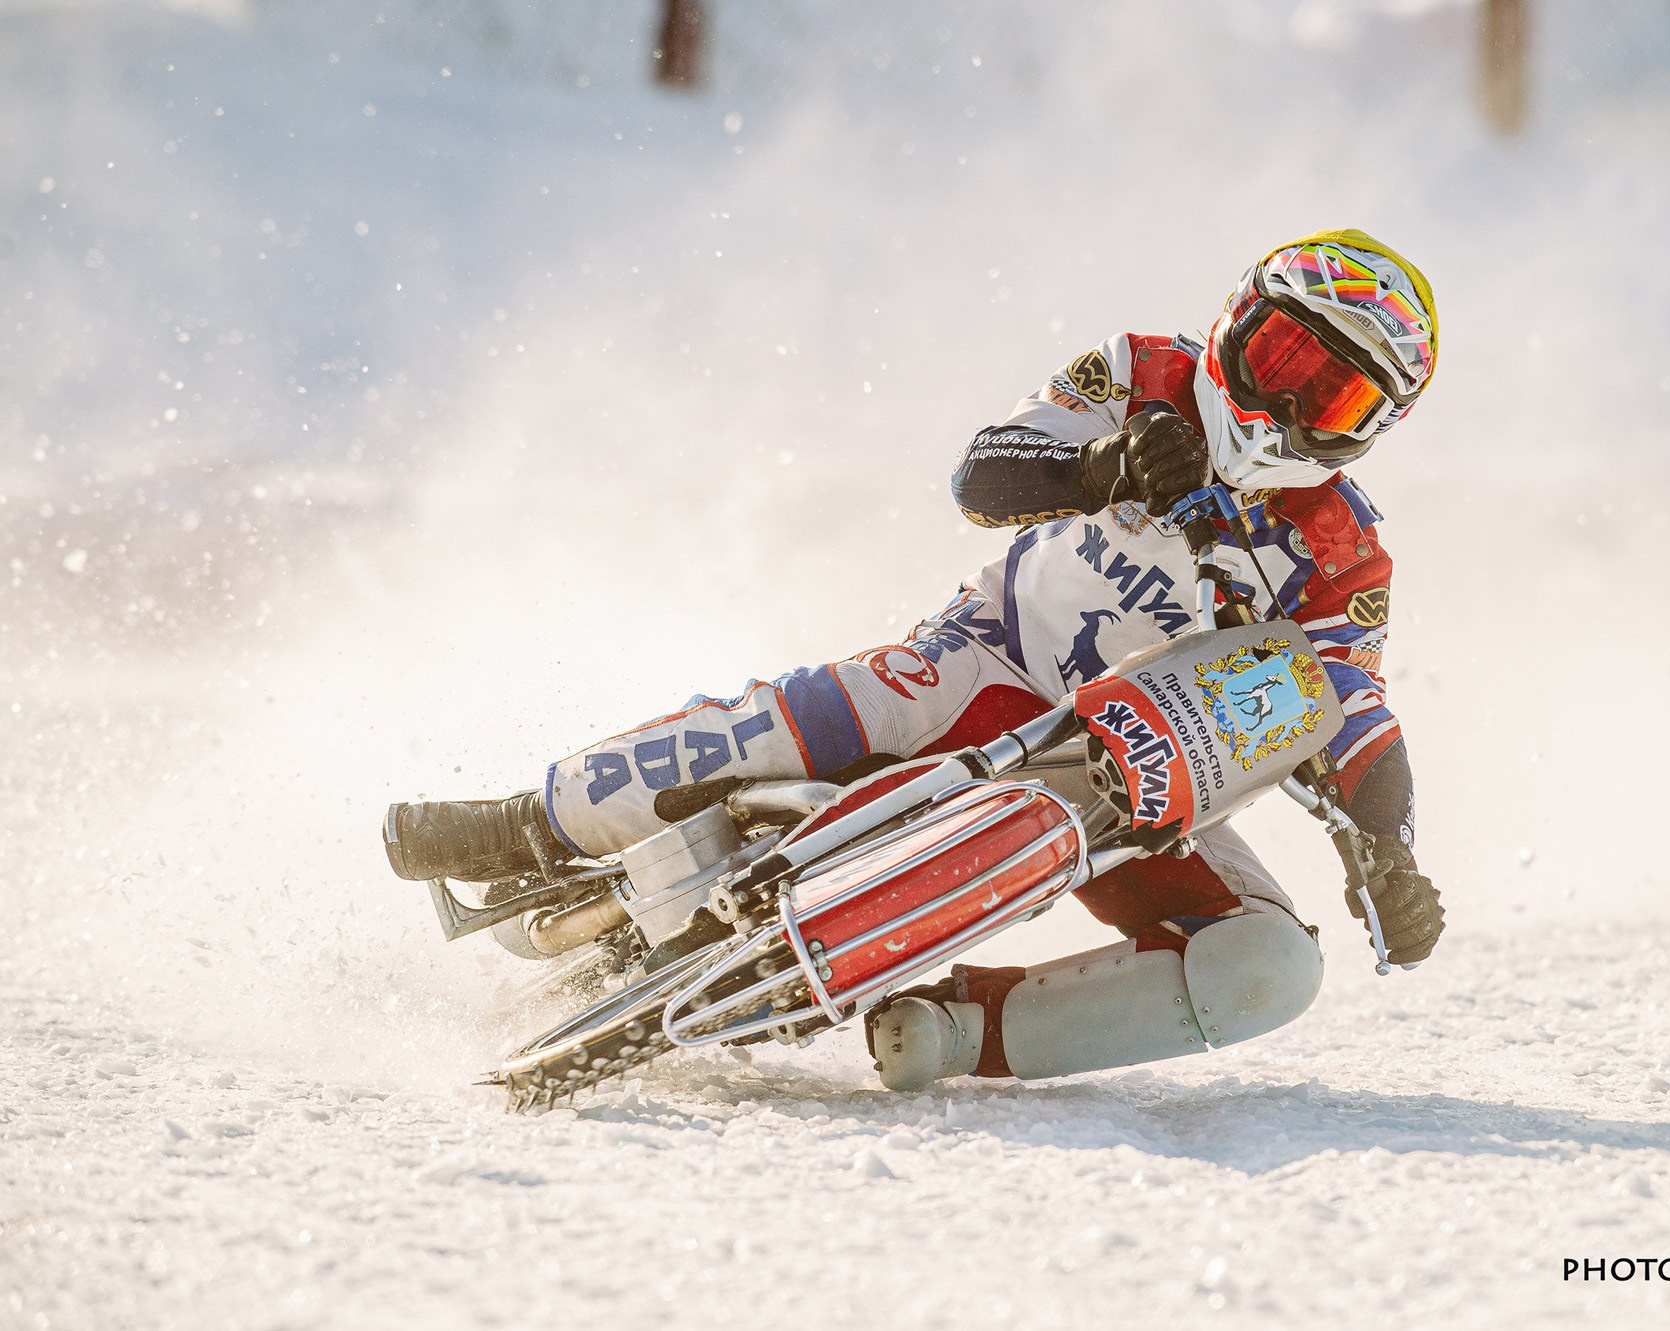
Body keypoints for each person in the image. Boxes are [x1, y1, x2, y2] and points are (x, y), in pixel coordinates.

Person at [382, 229, 1446, 1090]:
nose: (1288, 410)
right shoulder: (1136, 371)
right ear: (1234, 324)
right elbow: (981, 477)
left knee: (1270, 962)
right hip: (981, 665)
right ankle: (531, 819)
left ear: (1373, 429)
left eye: (1335, 398)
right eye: (1284, 360)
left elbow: (1348, 704)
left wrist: (1389, 852)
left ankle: (946, 1031)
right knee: (808, 715)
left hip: (1142, 778)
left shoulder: (1342, 552)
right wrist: (1096, 466)